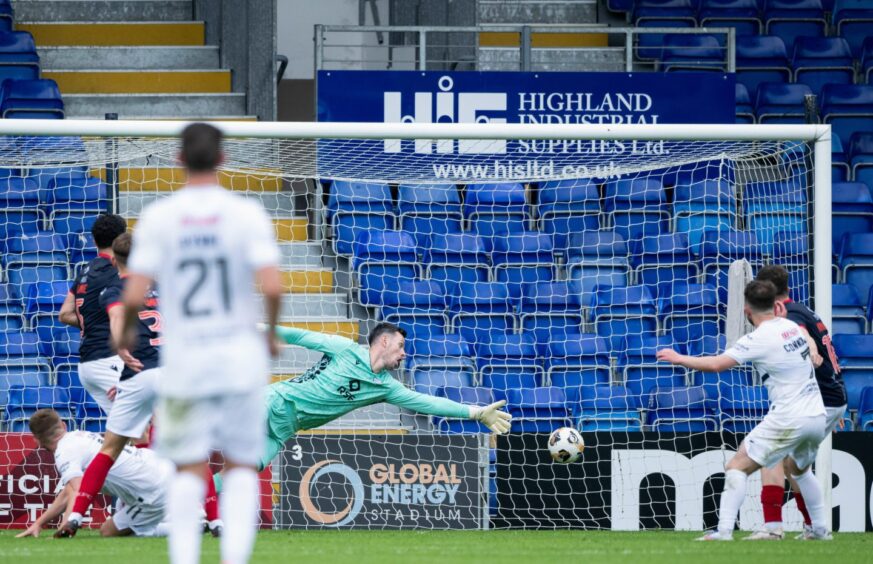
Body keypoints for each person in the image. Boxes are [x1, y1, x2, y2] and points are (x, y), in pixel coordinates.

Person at [120, 123, 282, 564]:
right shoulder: (247, 213)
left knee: (187, 463)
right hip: (238, 357)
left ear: (178, 159)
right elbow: (271, 287)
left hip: (186, 358)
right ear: (224, 159)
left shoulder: (159, 217)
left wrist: (123, 335)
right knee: (241, 462)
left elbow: (134, 295)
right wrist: (269, 334)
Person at [54, 234, 223, 538]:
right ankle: (215, 520)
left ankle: (77, 514)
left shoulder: (113, 289)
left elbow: (118, 316)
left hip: (140, 371)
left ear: (114, 260)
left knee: (109, 450)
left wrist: (120, 346)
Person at [214, 322, 511, 481]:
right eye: (400, 345)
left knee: (242, 471)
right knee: (210, 432)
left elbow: (427, 403)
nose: (404, 352)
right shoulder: (345, 349)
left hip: (282, 430)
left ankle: (197, 507)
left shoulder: (386, 388)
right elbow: (298, 335)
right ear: (384, 341)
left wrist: (476, 412)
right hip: (273, 401)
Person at [656, 280, 831, 541]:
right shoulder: (791, 327)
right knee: (800, 471)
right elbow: (807, 337)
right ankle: (819, 530)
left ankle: (724, 531)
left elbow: (716, 364)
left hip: (789, 416)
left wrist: (680, 358)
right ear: (778, 305)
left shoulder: (757, 339)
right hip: (816, 415)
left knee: (737, 465)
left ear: (746, 312)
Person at [744, 265, 848, 540]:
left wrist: (821, 401)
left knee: (771, 454)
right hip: (827, 397)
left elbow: (806, 341)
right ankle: (816, 528)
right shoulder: (804, 309)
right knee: (796, 467)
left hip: (818, 399)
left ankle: (773, 526)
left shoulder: (790, 317)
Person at [19, 409, 172, 539]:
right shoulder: (79, 435)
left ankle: (191, 526)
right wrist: (39, 523)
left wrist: (65, 528)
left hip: (151, 490)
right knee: (122, 507)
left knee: (108, 531)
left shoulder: (64, 453)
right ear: (63, 425)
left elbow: (77, 491)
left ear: (36, 440)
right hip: (159, 465)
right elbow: (68, 492)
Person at [59, 213, 127, 413]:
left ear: (95, 241)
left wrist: (93, 321)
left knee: (122, 429)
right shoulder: (116, 272)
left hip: (88, 363)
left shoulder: (85, 271)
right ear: (120, 240)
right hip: (108, 359)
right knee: (143, 423)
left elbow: (64, 313)